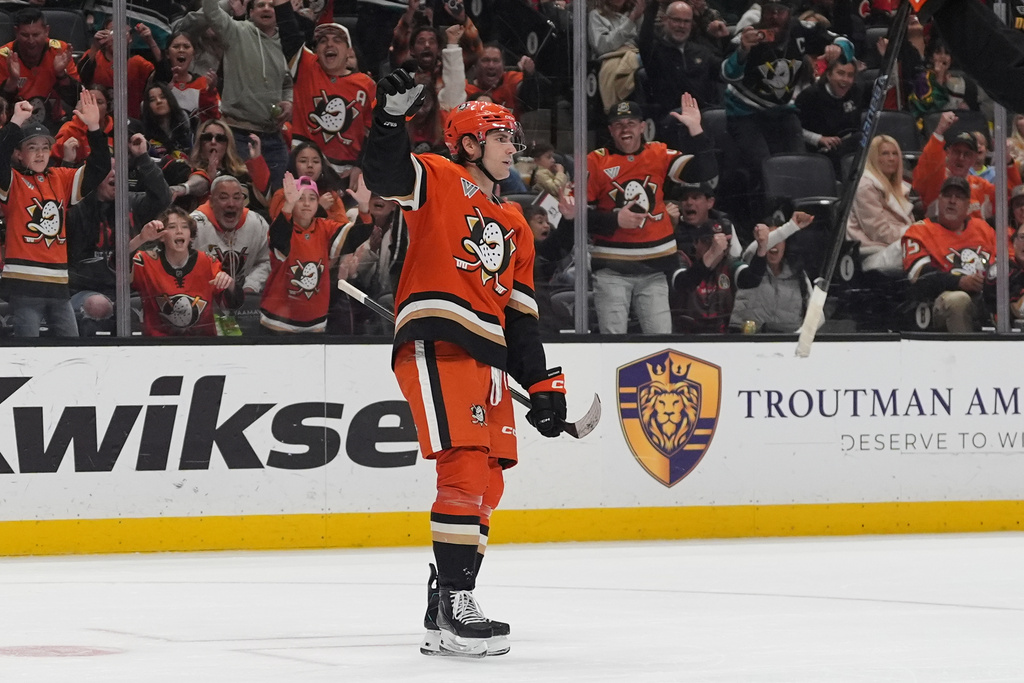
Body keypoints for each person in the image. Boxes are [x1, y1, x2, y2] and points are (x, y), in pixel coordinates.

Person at [361, 72, 570, 658]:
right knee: (463, 466)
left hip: (491, 359)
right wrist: (388, 120)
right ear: (470, 142)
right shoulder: (438, 176)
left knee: (489, 480)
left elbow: (521, 319)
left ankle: (442, 605)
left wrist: (543, 385)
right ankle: (458, 601)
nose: (512, 147)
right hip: (439, 342)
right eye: (502, 137)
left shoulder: (517, 226)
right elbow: (385, 175)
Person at [587, 95, 718, 335]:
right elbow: (577, 217)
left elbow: (706, 169)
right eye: (618, 124)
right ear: (610, 130)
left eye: (631, 123)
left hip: (654, 271)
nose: (625, 129)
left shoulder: (659, 154)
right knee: (611, 346)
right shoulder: (596, 161)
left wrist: (696, 129)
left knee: (659, 342)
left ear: (642, 127)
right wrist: (614, 220)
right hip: (611, 270)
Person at [0, 91, 109, 338]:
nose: (40, 154)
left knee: (71, 349)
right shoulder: (12, 181)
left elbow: (99, 167)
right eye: (32, 147)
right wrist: (15, 122)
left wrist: (94, 127)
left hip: (59, 287)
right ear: (18, 154)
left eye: (45, 148)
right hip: (24, 287)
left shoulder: (60, 178)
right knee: (28, 354)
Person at [723, 0, 854, 191]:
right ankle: (769, 214)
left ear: (789, 12)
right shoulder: (749, 34)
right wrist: (743, 51)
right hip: (745, 112)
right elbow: (726, 74)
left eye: (780, 11)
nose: (775, 16)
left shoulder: (801, 30)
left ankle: (801, 211)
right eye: (770, 11)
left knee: (800, 166)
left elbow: (843, 41)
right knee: (765, 168)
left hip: (782, 111)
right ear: (762, 11)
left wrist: (839, 48)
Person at [67, 132, 172, 336]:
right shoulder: (78, 207)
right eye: (108, 170)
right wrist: (69, 165)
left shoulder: (132, 202)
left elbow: (163, 197)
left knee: (169, 301)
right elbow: (62, 201)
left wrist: (143, 157)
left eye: (119, 169)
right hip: (85, 290)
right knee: (98, 305)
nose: (115, 174)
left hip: (129, 289)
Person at [274, 2, 377, 178]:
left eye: (337, 40)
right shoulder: (307, 67)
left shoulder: (367, 85)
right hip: (304, 169)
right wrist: (281, 4)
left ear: (348, 51)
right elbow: (289, 33)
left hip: (346, 174)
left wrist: (360, 166)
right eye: (323, 41)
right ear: (316, 50)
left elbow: (374, 132)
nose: (329, 44)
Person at [201, 0, 292, 187]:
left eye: (271, 5)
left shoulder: (287, 43)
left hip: (273, 136)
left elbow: (288, 83)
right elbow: (211, 11)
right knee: (243, 195)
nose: (266, 8)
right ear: (250, 12)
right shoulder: (235, 31)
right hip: (238, 134)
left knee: (280, 199)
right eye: (260, 5)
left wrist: (289, 101)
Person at [901, 176, 996, 333]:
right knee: (958, 300)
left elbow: (1004, 266)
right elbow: (919, 276)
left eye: (959, 197)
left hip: (985, 299)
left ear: (968, 205)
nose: (952, 201)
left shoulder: (983, 229)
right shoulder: (919, 231)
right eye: (947, 195)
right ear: (939, 199)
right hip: (939, 302)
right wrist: (959, 282)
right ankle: (963, 355)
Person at [260, 173, 350, 333]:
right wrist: (288, 204)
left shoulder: (324, 227)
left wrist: (364, 210)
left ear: (318, 204)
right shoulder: (281, 227)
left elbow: (353, 236)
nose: (306, 204)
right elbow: (279, 240)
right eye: (300, 198)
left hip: (316, 322)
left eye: (312, 199)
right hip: (277, 321)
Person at [129, 207, 236, 336]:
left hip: (203, 344)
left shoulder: (208, 262)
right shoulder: (145, 261)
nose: (179, 231)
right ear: (161, 236)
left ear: (191, 236)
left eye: (185, 227)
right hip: (158, 345)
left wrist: (230, 284)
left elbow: (231, 304)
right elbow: (117, 263)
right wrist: (141, 238)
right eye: (172, 227)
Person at [191, 175, 272, 333]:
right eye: (223, 197)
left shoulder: (257, 223)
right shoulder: (194, 226)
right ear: (211, 201)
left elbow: (266, 260)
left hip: (245, 308)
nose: (231, 204)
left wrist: (250, 286)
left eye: (237, 197)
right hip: (203, 310)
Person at [912, 111, 1021, 222]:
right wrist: (939, 131)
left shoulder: (981, 187)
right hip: (939, 236)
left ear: (974, 158)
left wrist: (1007, 160)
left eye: (967, 154)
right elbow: (926, 168)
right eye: (957, 152)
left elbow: (1011, 197)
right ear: (948, 153)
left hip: (976, 238)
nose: (961, 158)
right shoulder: (935, 181)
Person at [670, 219, 769, 332]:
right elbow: (684, 283)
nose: (718, 248)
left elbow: (752, 279)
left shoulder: (728, 264)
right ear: (696, 242)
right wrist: (712, 253)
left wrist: (762, 248)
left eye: (722, 244)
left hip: (720, 337)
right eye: (709, 242)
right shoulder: (681, 259)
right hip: (683, 339)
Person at [0, 8, 80, 132]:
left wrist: (61, 74)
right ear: (16, 32)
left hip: (54, 124)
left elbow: (77, 99)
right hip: (13, 126)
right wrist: (13, 80)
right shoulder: (4, 56)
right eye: (25, 35)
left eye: (36, 35)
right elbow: (1, 107)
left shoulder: (60, 51)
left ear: (46, 31)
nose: (31, 41)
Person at [638, 0, 722, 117]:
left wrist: (737, 46)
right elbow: (644, 39)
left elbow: (724, 71)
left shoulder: (701, 51)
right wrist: (652, 5)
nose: (681, 26)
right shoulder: (654, 51)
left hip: (704, 116)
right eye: (676, 20)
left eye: (686, 21)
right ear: (665, 20)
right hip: (670, 118)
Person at [846, 135, 915, 274]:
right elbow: (879, 232)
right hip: (873, 253)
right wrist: (915, 233)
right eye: (885, 153)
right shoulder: (865, 186)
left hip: (896, 246)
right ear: (874, 158)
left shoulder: (899, 188)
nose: (891, 158)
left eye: (895, 153)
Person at [730, 215, 811, 332]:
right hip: (748, 341)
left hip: (787, 343)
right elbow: (754, 249)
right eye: (771, 239)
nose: (774, 244)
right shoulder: (748, 261)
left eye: (780, 240)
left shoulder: (798, 274)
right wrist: (791, 226)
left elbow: (816, 313)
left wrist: (801, 334)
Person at [76, 19, 160, 120]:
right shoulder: (94, 56)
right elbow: (82, 75)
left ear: (130, 38)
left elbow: (163, 75)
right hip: (96, 120)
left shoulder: (138, 63)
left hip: (129, 122)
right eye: (113, 31)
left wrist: (150, 41)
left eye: (123, 33)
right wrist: (95, 45)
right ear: (104, 35)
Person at [794, 59, 862, 169]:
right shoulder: (810, 96)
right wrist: (819, 139)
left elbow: (886, 84)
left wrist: (889, 58)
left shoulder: (856, 91)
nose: (845, 79)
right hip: (820, 153)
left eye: (850, 75)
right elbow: (794, 129)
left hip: (851, 147)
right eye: (840, 73)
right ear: (829, 75)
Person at [152, 29, 221, 126]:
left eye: (186, 46)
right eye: (176, 47)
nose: (181, 50)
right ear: (167, 54)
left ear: (194, 53)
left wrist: (210, 92)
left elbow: (215, 120)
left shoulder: (205, 83)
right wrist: (166, 92)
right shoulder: (160, 83)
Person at [589, 0, 646, 110]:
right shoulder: (596, 15)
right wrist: (631, 20)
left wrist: (640, 17)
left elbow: (643, 42)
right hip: (612, 57)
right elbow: (602, 47)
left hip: (635, 53)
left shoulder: (636, 13)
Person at [464, 43, 549, 117]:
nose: (491, 65)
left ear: (503, 66)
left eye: (496, 61)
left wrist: (530, 74)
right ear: (475, 65)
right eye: (485, 60)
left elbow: (536, 97)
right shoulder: (465, 88)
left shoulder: (511, 80)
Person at [906, 38, 977, 119]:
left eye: (947, 53)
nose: (943, 57)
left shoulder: (958, 81)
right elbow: (932, 112)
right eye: (938, 52)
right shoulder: (923, 79)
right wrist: (939, 78)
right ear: (931, 57)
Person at [51, 84, 115, 167]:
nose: (93, 106)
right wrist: (80, 120)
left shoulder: (117, 131)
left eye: (99, 102)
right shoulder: (70, 127)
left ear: (108, 108)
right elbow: (58, 153)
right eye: (89, 101)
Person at [141, 82, 195, 165]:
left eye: (162, 97)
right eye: (152, 100)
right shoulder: (145, 138)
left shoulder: (186, 130)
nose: (158, 101)